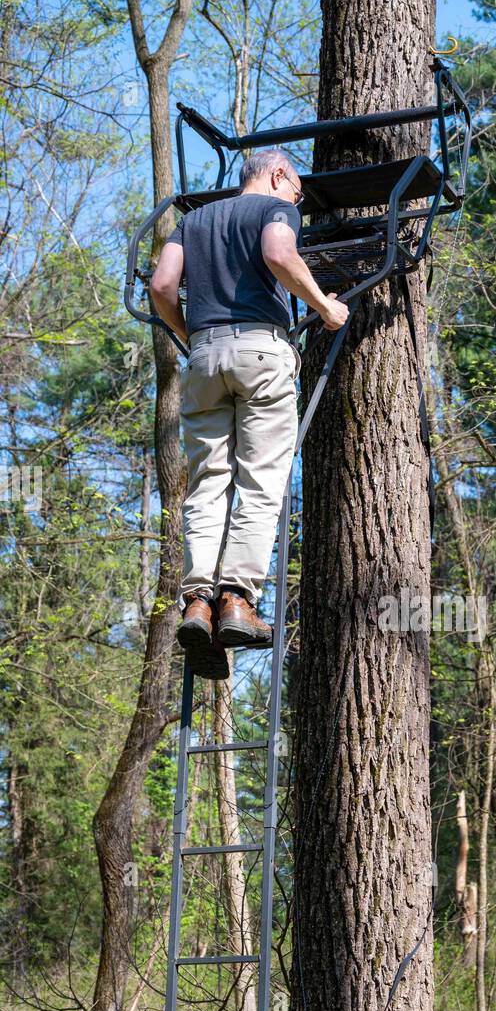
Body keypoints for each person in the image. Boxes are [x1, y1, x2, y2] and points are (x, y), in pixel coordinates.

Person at [148, 147, 349, 677]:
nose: (296, 199)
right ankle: (236, 600)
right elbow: (281, 253)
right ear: (280, 174)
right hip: (261, 350)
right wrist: (325, 308)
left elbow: (163, 286)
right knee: (260, 482)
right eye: (297, 190)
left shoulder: (192, 221)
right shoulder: (273, 210)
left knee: (208, 482)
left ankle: (196, 602)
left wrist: (190, 336)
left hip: (203, 357)